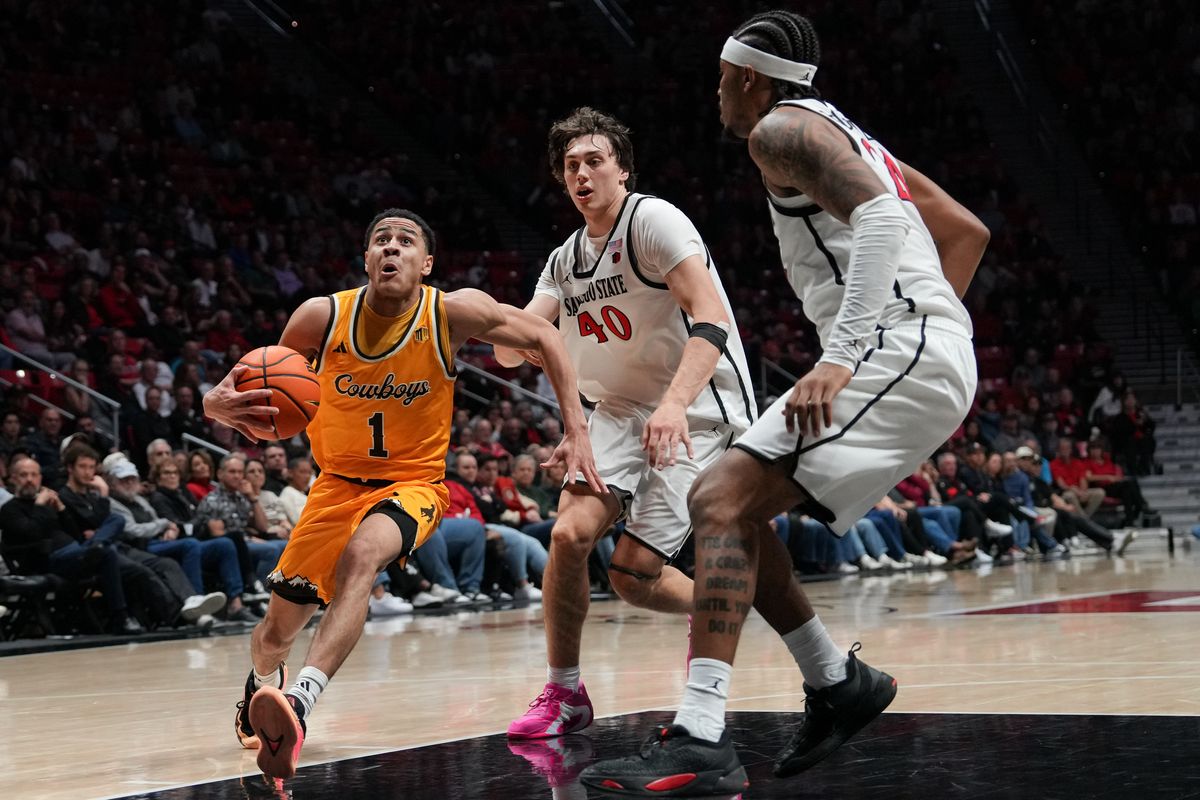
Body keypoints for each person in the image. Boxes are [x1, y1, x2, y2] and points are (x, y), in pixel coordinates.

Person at [582, 11, 986, 794]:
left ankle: (702, 734)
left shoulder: (781, 130)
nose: (717, 94)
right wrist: (934, 327)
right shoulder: (853, 139)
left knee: (718, 500)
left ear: (747, 78)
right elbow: (966, 232)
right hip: (912, 347)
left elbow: (878, 220)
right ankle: (837, 682)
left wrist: (853, 353)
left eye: (720, 79)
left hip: (894, 348)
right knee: (727, 504)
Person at [201, 208, 602, 781]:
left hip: (413, 485)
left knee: (363, 555)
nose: (392, 247)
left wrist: (576, 429)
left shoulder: (451, 312)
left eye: (406, 240)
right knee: (273, 636)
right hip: (333, 487)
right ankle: (265, 686)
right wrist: (214, 404)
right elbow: (265, 397)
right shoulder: (320, 317)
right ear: (367, 259)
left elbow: (544, 334)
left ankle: (301, 703)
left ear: (427, 262)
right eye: (381, 240)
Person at [492, 107, 756, 740]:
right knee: (567, 535)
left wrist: (674, 405)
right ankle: (565, 693)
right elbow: (510, 347)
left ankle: (712, 609)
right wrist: (489, 323)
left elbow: (712, 316)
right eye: (570, 166)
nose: (582, 174)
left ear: (623, 169)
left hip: (696, 404)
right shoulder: (564, 260)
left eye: (594, 161)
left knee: (633, 577)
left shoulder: (654, 221)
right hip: (616, 410)